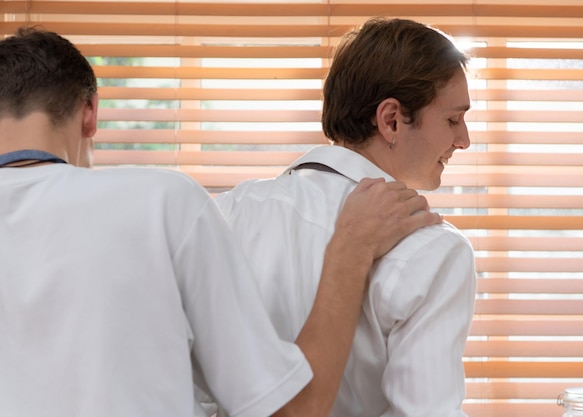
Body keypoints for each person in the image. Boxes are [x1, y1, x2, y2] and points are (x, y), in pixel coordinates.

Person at [0, 27, 443, 417]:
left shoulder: (228, 208)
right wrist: (351, 249)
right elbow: (292, 412)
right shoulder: (160, 201)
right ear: (90, 112)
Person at [216, 17, 477, 417]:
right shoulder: (433, 249)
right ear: (391, 120)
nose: (464, 140)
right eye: (452, 119)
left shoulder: (227, 213)